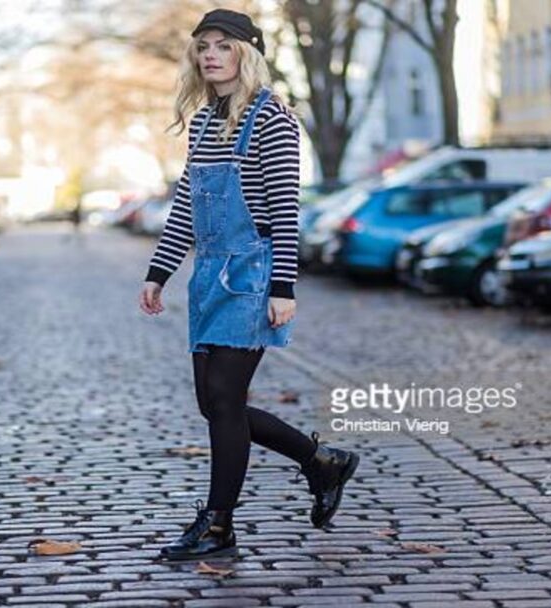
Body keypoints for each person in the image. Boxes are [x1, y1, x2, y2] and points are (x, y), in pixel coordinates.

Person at [138, 8, 360, 562]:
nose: (210, 54)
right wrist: (158, 272)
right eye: (203, 46)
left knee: (224, 398)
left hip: (254, 274)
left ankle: (218, 524)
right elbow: (186, 208)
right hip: (209, 276)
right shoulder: (204, 123)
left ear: (248, 53)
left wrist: (283, 287)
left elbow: (286, 213)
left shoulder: (273, 120)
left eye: (224, 46)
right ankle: (322, 462)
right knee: (214, 405)